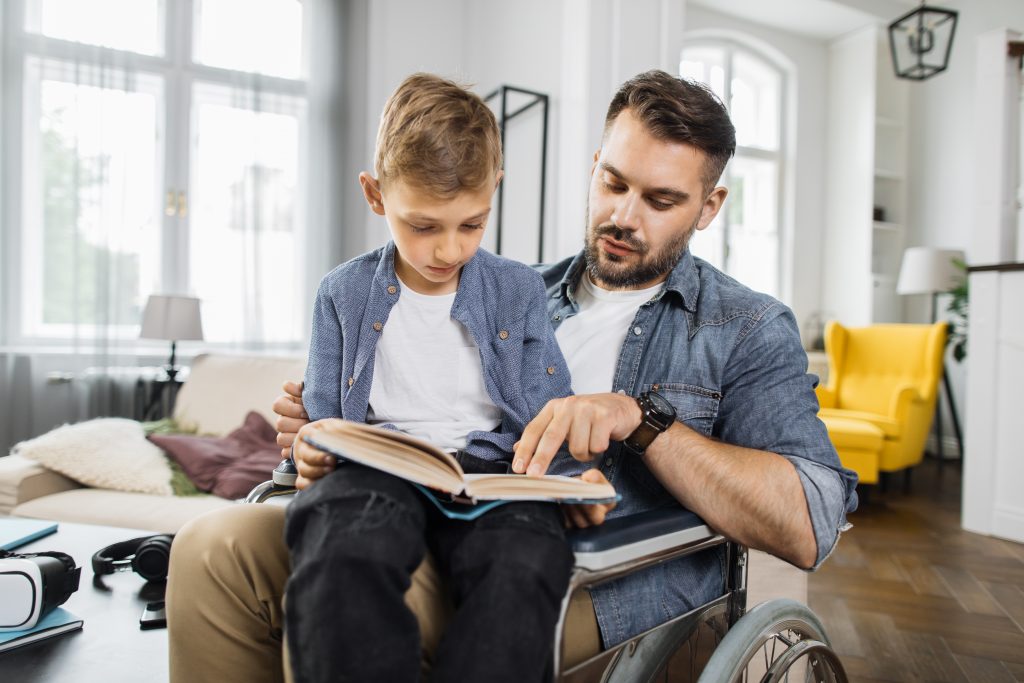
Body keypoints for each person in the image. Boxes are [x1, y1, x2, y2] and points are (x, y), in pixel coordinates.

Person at [166, 69, 858, 682]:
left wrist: (639, 421)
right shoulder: (511, 288)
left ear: (708, 207)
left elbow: (808, 519)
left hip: (600, 579)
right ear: (593, 166)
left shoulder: (746, 327)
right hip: (420, 512)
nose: (622, 214)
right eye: (613, 182)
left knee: (366, 591)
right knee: (212, 548)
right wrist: (328, 430)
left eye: (660, 199)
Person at [284, 72, 610, 683]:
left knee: (528, 562)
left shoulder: (517, 289)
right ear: (375, 194)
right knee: (341, 547)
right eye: (423, 226)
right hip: (378, 468)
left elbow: (549, 408)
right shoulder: (342, 292)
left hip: (495, 475)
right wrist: (311, 449)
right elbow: (325, 419)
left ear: (495, 191)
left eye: (472, 224)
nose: (448, 250)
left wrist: (575, 482)